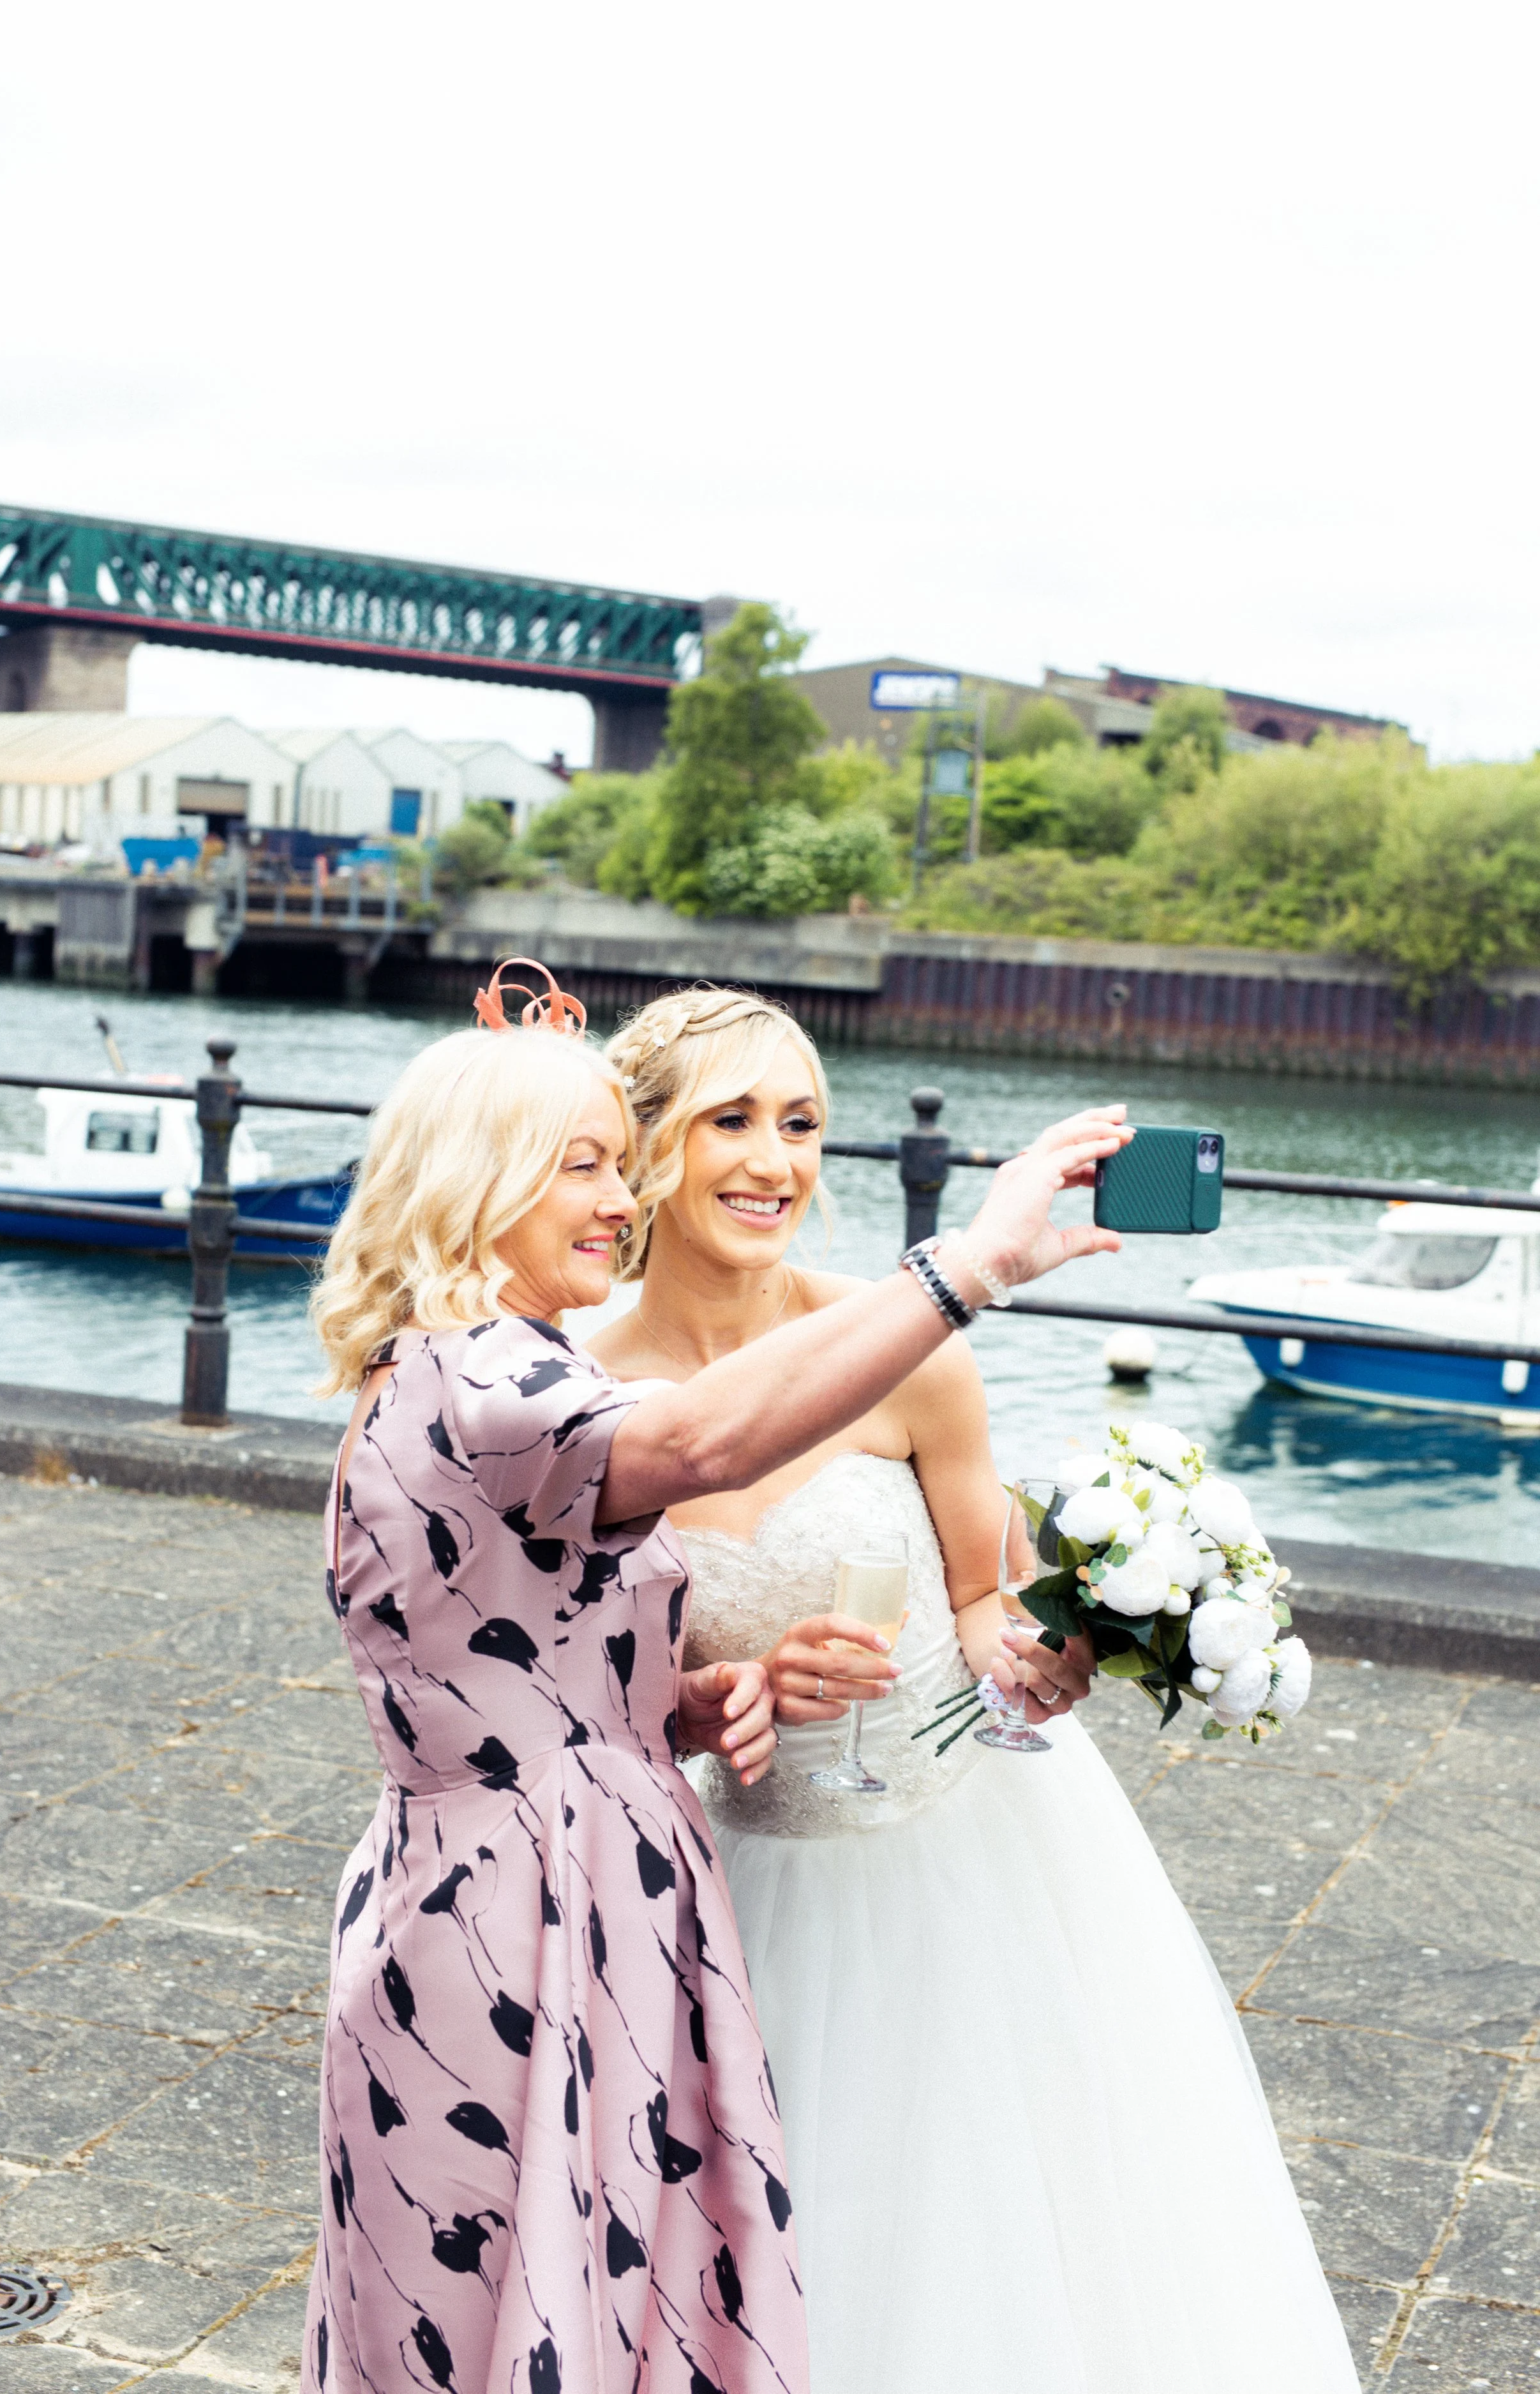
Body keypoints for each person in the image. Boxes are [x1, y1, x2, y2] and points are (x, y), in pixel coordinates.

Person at [299, 961, 1129, 2394]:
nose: (616, 1200)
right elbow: (695, 1451)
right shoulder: (493, 1381)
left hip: (582, 1882)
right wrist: (971, 1263)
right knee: (520, 2290)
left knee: (580, 2292)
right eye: (586, 1165)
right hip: (520, 1912)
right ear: (476, 1181)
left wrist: (681, 1704)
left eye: (619, 1164)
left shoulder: (487, 1366)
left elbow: (519, 1644)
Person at [592, 985, 1361, 2394]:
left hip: (963, 1848)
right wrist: (723, 1686)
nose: (775, 1162)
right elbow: (576, 1680)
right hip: (737, 1863)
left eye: (803, 1123)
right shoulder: (582, 1387)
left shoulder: (904, 1346)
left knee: (995, 2236)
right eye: (731, 1121)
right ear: (640, 1145)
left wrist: (1045, 1653)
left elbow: (978, 1599)